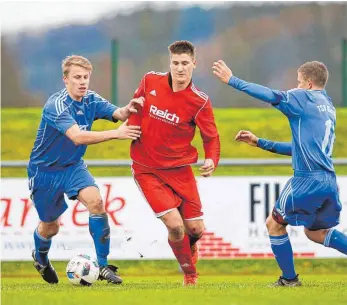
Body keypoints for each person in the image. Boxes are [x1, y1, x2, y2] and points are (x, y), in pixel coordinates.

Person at [213, 60, 347, 286]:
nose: (295, 87)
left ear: (308, 83)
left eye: (298, 82)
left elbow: (270, 95)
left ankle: (289, 279)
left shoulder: (303, 97)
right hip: (328, 181)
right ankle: (289, 279)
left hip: (307, 180)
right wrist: (261, 143)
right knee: (316, 233)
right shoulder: (327, 105)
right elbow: (300, 148)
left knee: (273, 224)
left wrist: (232, 80)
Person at [28, 55, 143, 284]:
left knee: (96, 202)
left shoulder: (90, 99)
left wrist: (128, 109)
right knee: (50, 227)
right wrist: (116, 134)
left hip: (73, 167)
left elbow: (117, 114)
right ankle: (40, 257)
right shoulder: (56, 105)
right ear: (65, 80)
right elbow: (77, 137)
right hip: (44, 172)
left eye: (85, 77)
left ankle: (102, 266)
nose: (82, 82)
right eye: (77, 77)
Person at [128, 40, 220, 286]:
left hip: (180, 171)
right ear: (170, 63)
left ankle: (189, 247)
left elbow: (211, 137)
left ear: (194, 65)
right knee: (176, 227)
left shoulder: (199, 101)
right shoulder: (150, 81)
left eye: (185, 64)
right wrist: (133, 127)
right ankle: (190, 274)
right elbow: (136, 106)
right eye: (175, 63)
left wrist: (212, 159)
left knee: (196, 230)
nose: (180, 68)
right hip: (146, 168)